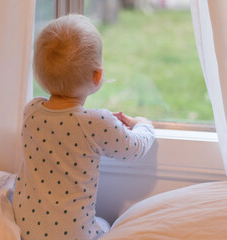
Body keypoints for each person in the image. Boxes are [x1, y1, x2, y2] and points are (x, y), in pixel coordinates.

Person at [13, 14, 155, 240]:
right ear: (97, 76)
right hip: (74, 235)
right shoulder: (97, 123)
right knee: (106, 225)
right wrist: (144, 125)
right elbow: (134, 148)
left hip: (26, 229)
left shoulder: (31, 111)